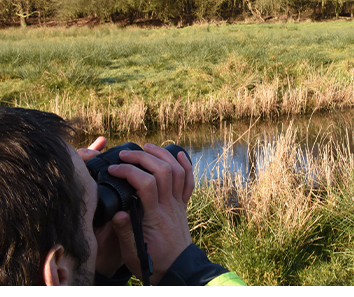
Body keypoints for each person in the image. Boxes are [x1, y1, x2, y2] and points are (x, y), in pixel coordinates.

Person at [0, 107, 246, 286]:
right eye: (94, 213)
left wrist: (98, 274)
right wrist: (185, 268)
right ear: (57, 274)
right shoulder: (184, 270)